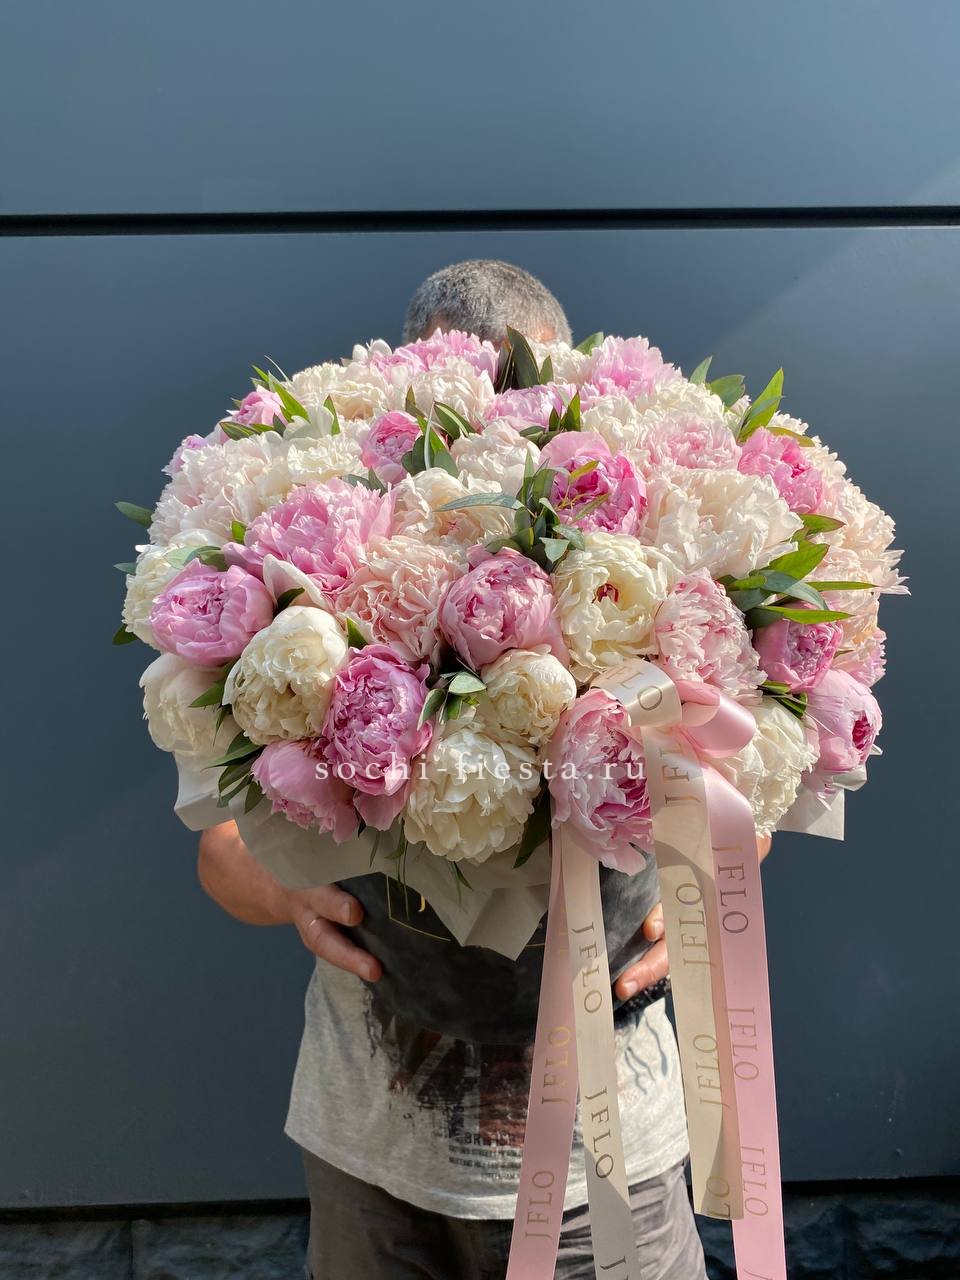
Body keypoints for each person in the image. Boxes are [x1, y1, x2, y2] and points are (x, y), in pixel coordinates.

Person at [198, 260, 770, 1279]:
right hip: (373, 1146)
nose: (501, 413)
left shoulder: (643, 546)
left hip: (609, 1155)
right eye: (463, 388)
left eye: (527, 386)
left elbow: (754, 792)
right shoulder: (334, 551)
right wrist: (289, 893)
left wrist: (695, 896)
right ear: (403, 385)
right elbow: (222, 844)